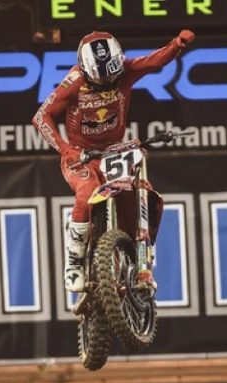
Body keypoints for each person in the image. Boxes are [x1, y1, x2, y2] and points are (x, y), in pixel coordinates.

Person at [33, 29, 195, 293]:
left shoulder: (126, 70)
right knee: (86, 192)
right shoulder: (74, 80)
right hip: (81, 155)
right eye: (101, 79)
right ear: (85, 69)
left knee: (139, 193)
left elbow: (153, 62)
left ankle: (141, 262)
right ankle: (74, 263)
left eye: (113, 76)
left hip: (115, 150)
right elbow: (42, 116)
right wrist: (65, 149)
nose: (109, 82)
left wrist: (177, 45)